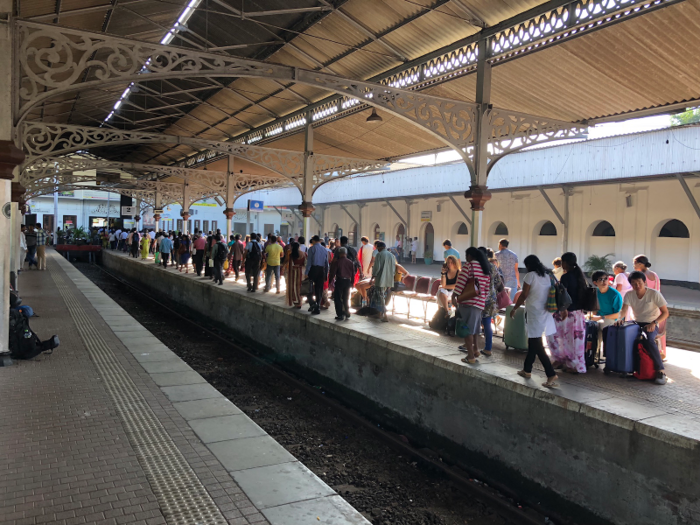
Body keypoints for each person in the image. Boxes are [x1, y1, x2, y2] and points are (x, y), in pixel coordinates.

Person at [511, 255, 559, 388]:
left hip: (533, 312)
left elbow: (524, 294)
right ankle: (527, 370)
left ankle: (550, 373)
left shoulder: (530, 276)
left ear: (528, 265)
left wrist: (515, 308)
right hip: (546, 311)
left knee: (537, 343)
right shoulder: (548, 274)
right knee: (533, 340)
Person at [616, 271, 669, 385]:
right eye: (634, 284)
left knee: (648, 339)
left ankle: (661, 370)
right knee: (624, 337)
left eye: (639, 283)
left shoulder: (654, 294)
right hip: (635, 323)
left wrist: (654, 323)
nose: (637, 286)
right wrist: (620, 319)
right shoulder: (629, 294)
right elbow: (624, 310)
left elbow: (665, 313)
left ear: (645, 282)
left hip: (651, 323)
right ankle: (627, 367)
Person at [547, 252, 587, 374]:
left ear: (564, 263)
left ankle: (564, 361)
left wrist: (562, 309)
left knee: (558, 337)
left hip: (567, 313)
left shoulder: (566, 277)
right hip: (578, 314)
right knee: (576, 340)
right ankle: (575, 364)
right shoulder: (580, 276)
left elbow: (562, 294)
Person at [452, 247, 490, 364]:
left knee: (467, 329)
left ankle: (470, 356)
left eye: (466, 256)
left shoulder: (469, 267)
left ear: (469, 256)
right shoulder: (485, 269)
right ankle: (475, 350)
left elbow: (461, 282)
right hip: (480, 303)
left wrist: (454, 296)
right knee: (475, 328)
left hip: (468, 302)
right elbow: (487, 288)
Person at [633, 254, 666, 359]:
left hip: (645, 305)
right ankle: (660, 352)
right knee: (658, 331)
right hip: (657, 304)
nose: (633, 265)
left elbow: (640, 291)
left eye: (635, 263)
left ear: (640, 264)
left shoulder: (640, 276)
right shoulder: (654, 274)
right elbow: (658, 289)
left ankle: (645, 354)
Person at [591, 270, 623, 354]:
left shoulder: (615, 294)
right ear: (595, 282)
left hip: (611, 319)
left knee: (605, 326)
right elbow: (592, 310)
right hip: (598, 318)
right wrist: (591, 317)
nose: (604, 281)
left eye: (606, 279)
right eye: (600, 279)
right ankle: (592, 355)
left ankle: (608, 355)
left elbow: (618, 315)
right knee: (589, 327)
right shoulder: (594, 293)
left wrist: (601, 317)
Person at [479, 247, 501, 357]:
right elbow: (498, 282)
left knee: (473, 322)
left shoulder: (477, 267)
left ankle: (470, 346)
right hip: (491, 298)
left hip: (477, 298)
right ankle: (488, 348)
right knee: (487, 323)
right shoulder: (493, 266)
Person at [370, 242, 395, 323]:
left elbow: (376, 268)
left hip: (381, 279)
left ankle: (385, 315)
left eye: (377, 248)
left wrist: (373, 277)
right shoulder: (391, 255)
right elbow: (393, 269)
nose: (377, 249)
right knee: (381, 296)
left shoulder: (379, 255)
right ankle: (379, 313)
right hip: (388, 279)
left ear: (380, 247)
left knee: (380, 297)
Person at [305, 236, 329, 315]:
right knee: (319, 289)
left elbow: (309, 262)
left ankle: (312, 303)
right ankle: (317, 306)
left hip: (313, 269)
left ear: (314, 241)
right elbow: (326, 264)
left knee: (309, 288)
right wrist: (326, 274)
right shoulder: (324, 249)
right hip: (321, 270)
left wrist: (306, 273)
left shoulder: (311, 249)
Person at [329, 247, 355, 321]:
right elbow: (353, 274)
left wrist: (330, 281)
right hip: (347, 282)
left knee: (338, 298)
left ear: (339, 254)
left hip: (340, 281)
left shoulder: (337, 262)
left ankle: (340, 314)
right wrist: (352, 283)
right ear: (346, 253)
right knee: (346, 298)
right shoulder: (350, 262)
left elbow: (333, 273)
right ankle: (347, 312)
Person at [286, 242, 307, 309]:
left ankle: (297, 302)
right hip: (302, 272)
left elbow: (290, 265)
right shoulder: (304, 254)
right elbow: (306, 263)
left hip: (294, 272)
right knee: (301, 286)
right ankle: (300, 300)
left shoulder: (292, 255)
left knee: (295, 288)